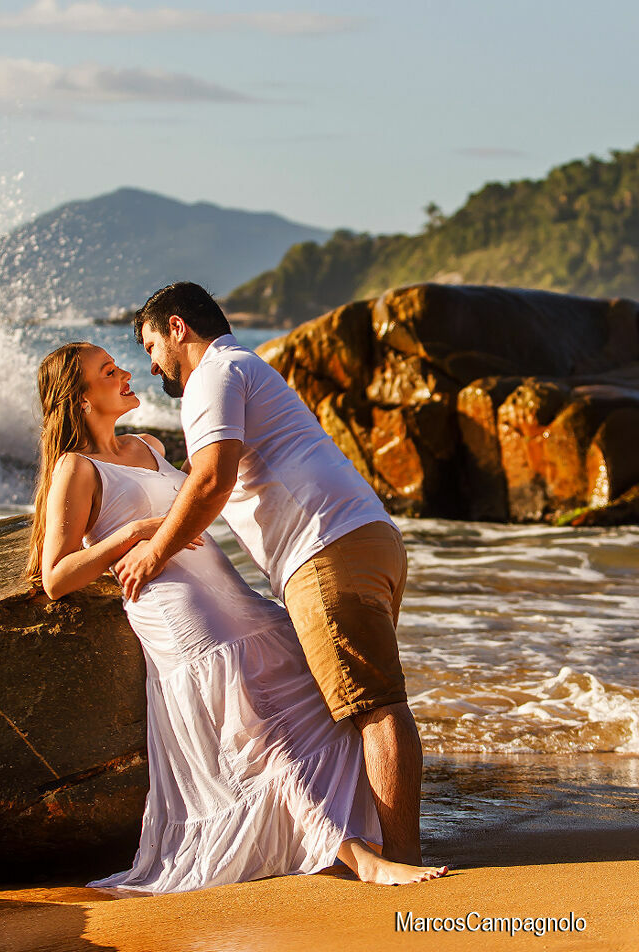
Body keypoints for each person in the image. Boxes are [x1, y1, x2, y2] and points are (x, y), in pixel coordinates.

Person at [26, 341, 447, 891]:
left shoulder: (148, 444)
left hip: (225, 589)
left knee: (322, 693)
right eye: (109, 372)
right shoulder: (75, 469)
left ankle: (360, 832)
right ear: (80, 400)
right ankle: (360, 856)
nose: (128, 372)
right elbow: (56, 575)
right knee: (258, 731)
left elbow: (208, 488)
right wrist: (131, 534)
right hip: (175, 604)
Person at [113, 282, 428, 867]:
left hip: (324, 547)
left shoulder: (211, 374)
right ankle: (381, 843)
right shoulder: (245, 367)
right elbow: (202, 476)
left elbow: (212, 480)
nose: (151, 365)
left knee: (374, 703)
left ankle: (401, 858)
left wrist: (153, 553)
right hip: (364, 536)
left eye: (152, 346)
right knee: (367, 697)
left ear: (178, 328)